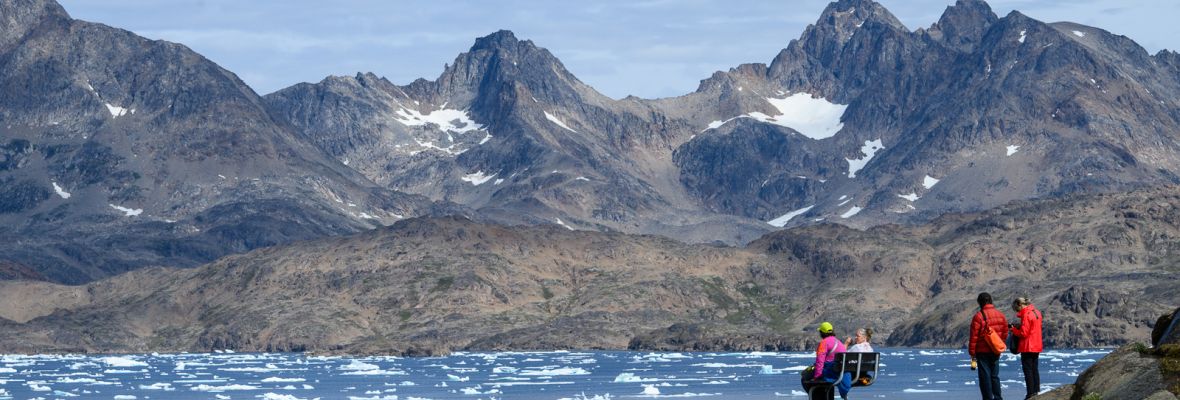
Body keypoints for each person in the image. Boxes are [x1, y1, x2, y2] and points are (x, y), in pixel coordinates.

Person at [970, 292, 1008, 400]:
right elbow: (1005, 331)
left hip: (982, 351)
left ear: (980, 302)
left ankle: (987, 398)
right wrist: (999, 344)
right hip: (995, 350)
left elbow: (974, 337)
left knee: (985, 377)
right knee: (994, 376)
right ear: (991, 300)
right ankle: (998, 397)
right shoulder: (1001, 315)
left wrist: (972, 353)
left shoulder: (978, 317)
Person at [805, 321, 851, 400]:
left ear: (822, 332)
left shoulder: (824, 342)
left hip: (832, 372)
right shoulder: (838, 342)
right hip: (840, 372)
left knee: (805, 376)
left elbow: (820, 361)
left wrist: (817, 376)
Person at [1010, 297, 1043, 399]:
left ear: (1020, 304)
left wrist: (1013, 330)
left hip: (1028, 346)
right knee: (1034, 369)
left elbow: (1024, 333)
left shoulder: (1026, 314)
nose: (1017, 311)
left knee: (1028, 370)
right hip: (1037, 344)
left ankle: (1030, 393)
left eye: (1016, 308)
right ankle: (1036, 390)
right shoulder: (1037, 312)